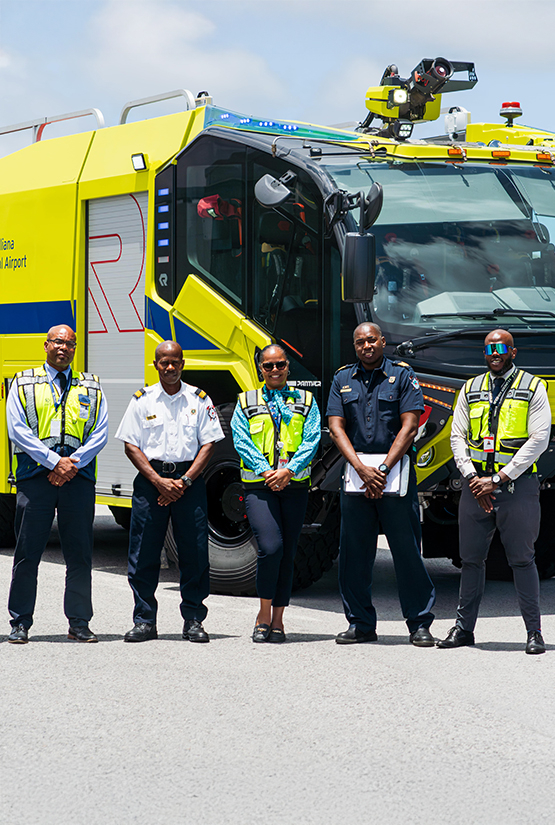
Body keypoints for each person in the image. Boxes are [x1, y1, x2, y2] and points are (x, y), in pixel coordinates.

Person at [438, 329, 551, 654]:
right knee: (471, 560)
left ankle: (534, 633)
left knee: (522, 560)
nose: (495, 353)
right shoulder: (470, 388)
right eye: (489, 348)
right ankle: (463, 630)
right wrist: (474, 478)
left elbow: (539, 439)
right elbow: (457, 437)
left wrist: (498, 479)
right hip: (476, 487)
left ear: (513, 352)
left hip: (517, 487)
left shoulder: (533, 387)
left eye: (501, 348)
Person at [327, 322, 435, 646]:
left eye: (371, 340)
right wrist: (361, 468)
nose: (366, 346)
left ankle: (419, 624)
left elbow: (410, 425)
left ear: (383, 341)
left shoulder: (403, 375)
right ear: (355, 346)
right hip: (357, 476)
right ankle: (360, 624)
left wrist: (383, 468)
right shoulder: (342, 378)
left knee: (407, 553)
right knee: (354, 554)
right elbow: (335, 427)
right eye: (359, 342)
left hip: (395, 475)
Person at [115, 341, 224, 643]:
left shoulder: (200, 399)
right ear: (156, 364)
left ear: (183, 363)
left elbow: (209, 444)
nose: (170, 367)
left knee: (195, 554)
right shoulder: (143, 400)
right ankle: (145, 620)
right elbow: (130, 445)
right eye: (164, 362)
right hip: (152, 483)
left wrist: (185, 482)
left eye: (175, 362)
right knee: (143, 553)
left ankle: (193, 620)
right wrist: (158, 482)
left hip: (189, 482)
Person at [6, 324, 108, 644]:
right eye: (58, 342)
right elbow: (17, 429)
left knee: (79, 554)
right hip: (36, 479)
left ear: (76, 349)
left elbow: (100, 431)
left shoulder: (91, 386)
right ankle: (20, 622)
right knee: (27, 552)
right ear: (46, 345)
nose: (64, 348)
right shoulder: (23, 382)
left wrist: (70, 464)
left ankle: (79, 622)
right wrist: (54, 462)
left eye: (70, 344)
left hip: (77, 479)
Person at [231, 344, 320, 643]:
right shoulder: (246, 400)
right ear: (260, 369)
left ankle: (279, 620)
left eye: (279, 365)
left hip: (294, 484)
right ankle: (263, 613)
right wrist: (267, 472)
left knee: (288, 552)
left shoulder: (306, 400)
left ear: (288, 366)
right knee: (270, 548)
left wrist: (289, 470)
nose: (274, 371)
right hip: (260, 485)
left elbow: (313, 438)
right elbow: (241, 439)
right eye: (268, 366)